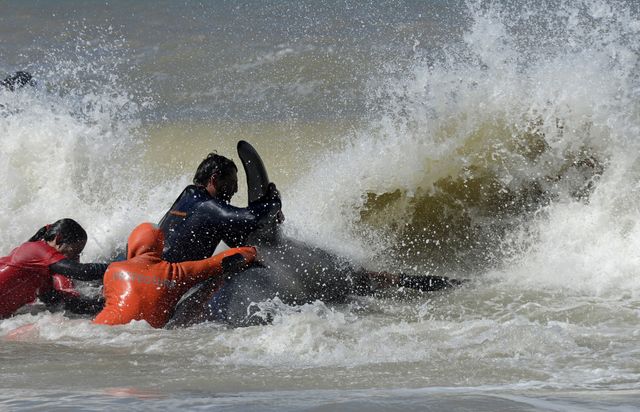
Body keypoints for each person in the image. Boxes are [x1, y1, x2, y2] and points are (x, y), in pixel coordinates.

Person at [93, 222, 256, 328]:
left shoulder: (113, 269)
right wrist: (253, 251)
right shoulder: (177, 273)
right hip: (144, 338)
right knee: (216, 278)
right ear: (160, 247)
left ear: (133, 245)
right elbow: (222, 261)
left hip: (99, 329)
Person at [158, 152, 282, 263]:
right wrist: (274, 202)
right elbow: (253, 217)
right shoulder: (206, 206)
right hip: (166, 283)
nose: (236, 189)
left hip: (146, 274)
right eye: (232, 183)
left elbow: (236, 238)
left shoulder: (189, 195)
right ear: (215, 179)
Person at [0, 219, 107, 319]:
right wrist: (113, 266)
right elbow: (81, 271)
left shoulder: (43, 272)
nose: (76, 259)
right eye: (74, 252)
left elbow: (59, 302)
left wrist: (100, 303)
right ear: (58, 239)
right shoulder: (36, 249)